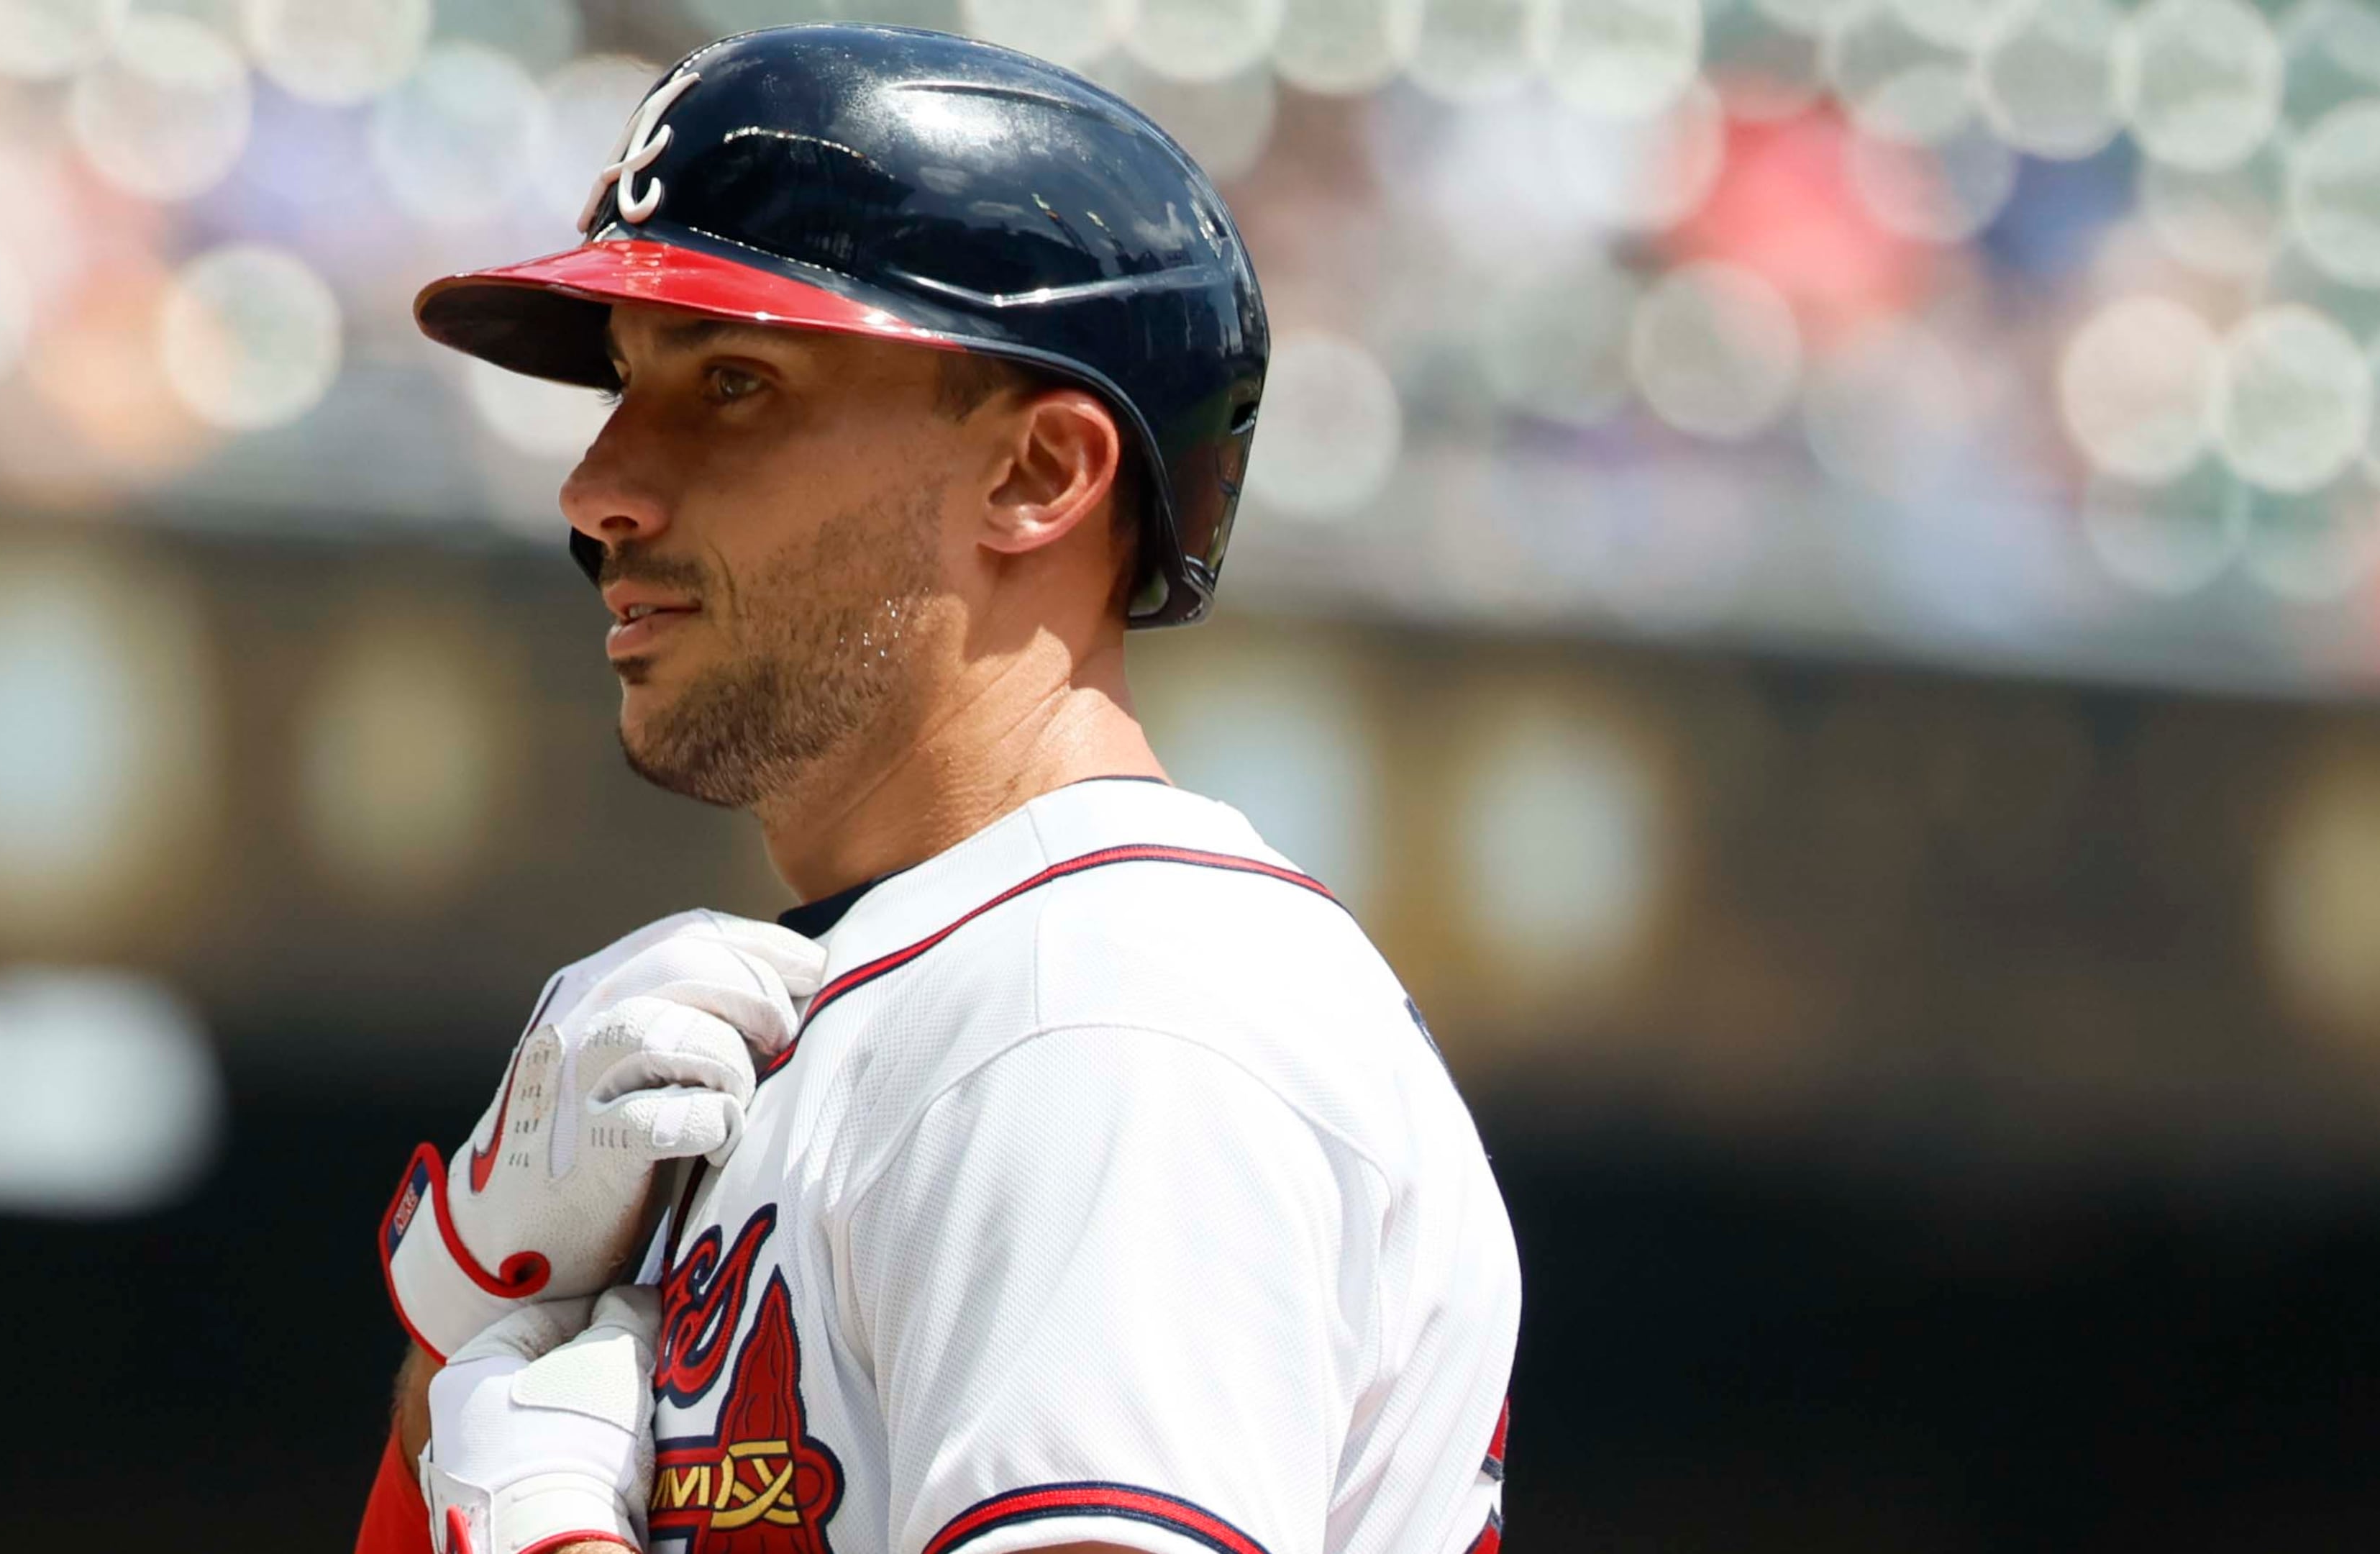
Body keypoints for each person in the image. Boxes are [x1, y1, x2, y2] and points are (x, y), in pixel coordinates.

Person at [358, 24, 1519, 1554]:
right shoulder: (934, 992)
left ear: (1038, 475)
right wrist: (464, 1329)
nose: (600, 488)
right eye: (625, 384)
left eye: (734, 384)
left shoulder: (1101, 1015)